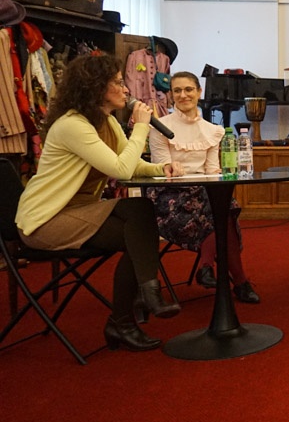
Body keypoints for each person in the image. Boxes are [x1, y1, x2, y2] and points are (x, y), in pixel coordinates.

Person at [15, 55, 182, 352]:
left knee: (139, 219)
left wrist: (161, 168)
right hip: (45, 219)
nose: (126, 89)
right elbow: (121, 170)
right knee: (138, 223)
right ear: (95, 87)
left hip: (79, 211)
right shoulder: (72, 125)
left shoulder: (107, 122)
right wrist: (141, 127)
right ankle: (139, 304)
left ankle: (130, 313)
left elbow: (131, 165)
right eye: (117, 82)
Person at [147, 71, 259, 304]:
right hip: (169, 195)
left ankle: (207, 268)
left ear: (199, 92)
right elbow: (161, 167)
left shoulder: (213, 130)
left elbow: (212, 170)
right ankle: (238, 281)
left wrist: (217, 178)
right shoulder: (160, 126)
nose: (183, 95)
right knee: (220, 210)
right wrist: (170, 167)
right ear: (171, 95)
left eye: (188, 89)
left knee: (224, 203)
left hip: (202, 191)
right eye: (177, 91)